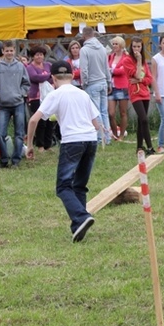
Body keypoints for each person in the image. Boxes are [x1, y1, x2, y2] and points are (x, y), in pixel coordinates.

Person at [26, 60, 102, 243]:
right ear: (71, 76)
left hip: (72, 141)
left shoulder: (55, 94)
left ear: (52, 78)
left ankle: (81, 216)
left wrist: (29, 144)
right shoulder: (82, 94)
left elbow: (34, 120)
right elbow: (96, 122)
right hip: (90, 139)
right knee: (79, 185)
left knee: (63, 186)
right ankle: (79, 226)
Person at [0, 40, 30, 168]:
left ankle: (16, 160)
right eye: (7, 51)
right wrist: (0, 94)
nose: (9, 53)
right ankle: (4, 160)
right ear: (3, 51)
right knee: (0, 133)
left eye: (11, 51)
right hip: (3, 105)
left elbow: (26, 83)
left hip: (18, 103)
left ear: (14, 51)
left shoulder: (20, 66)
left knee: (19, 133)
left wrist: (21, 93)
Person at [79, 26, 113, 144]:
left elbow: (84, 69)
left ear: (84, 36)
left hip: (92, 83)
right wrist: (109, 82)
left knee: (95, 112)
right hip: (103, 81)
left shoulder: (84, 50)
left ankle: (99, 137)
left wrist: (84, 83)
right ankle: (107, 137)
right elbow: (106, 66)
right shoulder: (102, 49)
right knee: (104, 111)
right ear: (93, 35)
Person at [124, 36, 155, 155]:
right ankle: (150, 147)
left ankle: (139, 147)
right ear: (131, 47)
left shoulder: (144, 61)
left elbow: (148, 78)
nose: (136, 49)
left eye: (138, 46)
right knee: (144, 119)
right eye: (134, 46)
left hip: (145, 92)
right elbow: (137, 75)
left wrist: (140, 80)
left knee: (141, 121)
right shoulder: (127, 60)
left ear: (142, 47)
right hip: (135, 93)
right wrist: (138, 61)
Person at [26, 45, 55, 151]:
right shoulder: (30, 67)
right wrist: (48, 76)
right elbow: (35, 77)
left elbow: (53, 78)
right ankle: (40, 145)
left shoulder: (48, 65)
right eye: (37, 55)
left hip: (48, 96)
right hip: (36, 97)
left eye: (41, 55)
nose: (39, 57)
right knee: (40, 121)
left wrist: (48, 76)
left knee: (50, 120)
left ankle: (48, 144)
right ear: (33, 56)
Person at [107, 36, 130, 141]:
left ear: (121, 45)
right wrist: (112, 70)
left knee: (123, 112)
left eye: (116, 44)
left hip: (122, 87)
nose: (114, 46)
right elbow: (107, 69)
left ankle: (121, 136)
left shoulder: (126, 57)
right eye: (113, 44)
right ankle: (115, 134)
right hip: (112, 87)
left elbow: (122, 71)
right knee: (111, 113)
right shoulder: (110, 57)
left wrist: (111, 70)